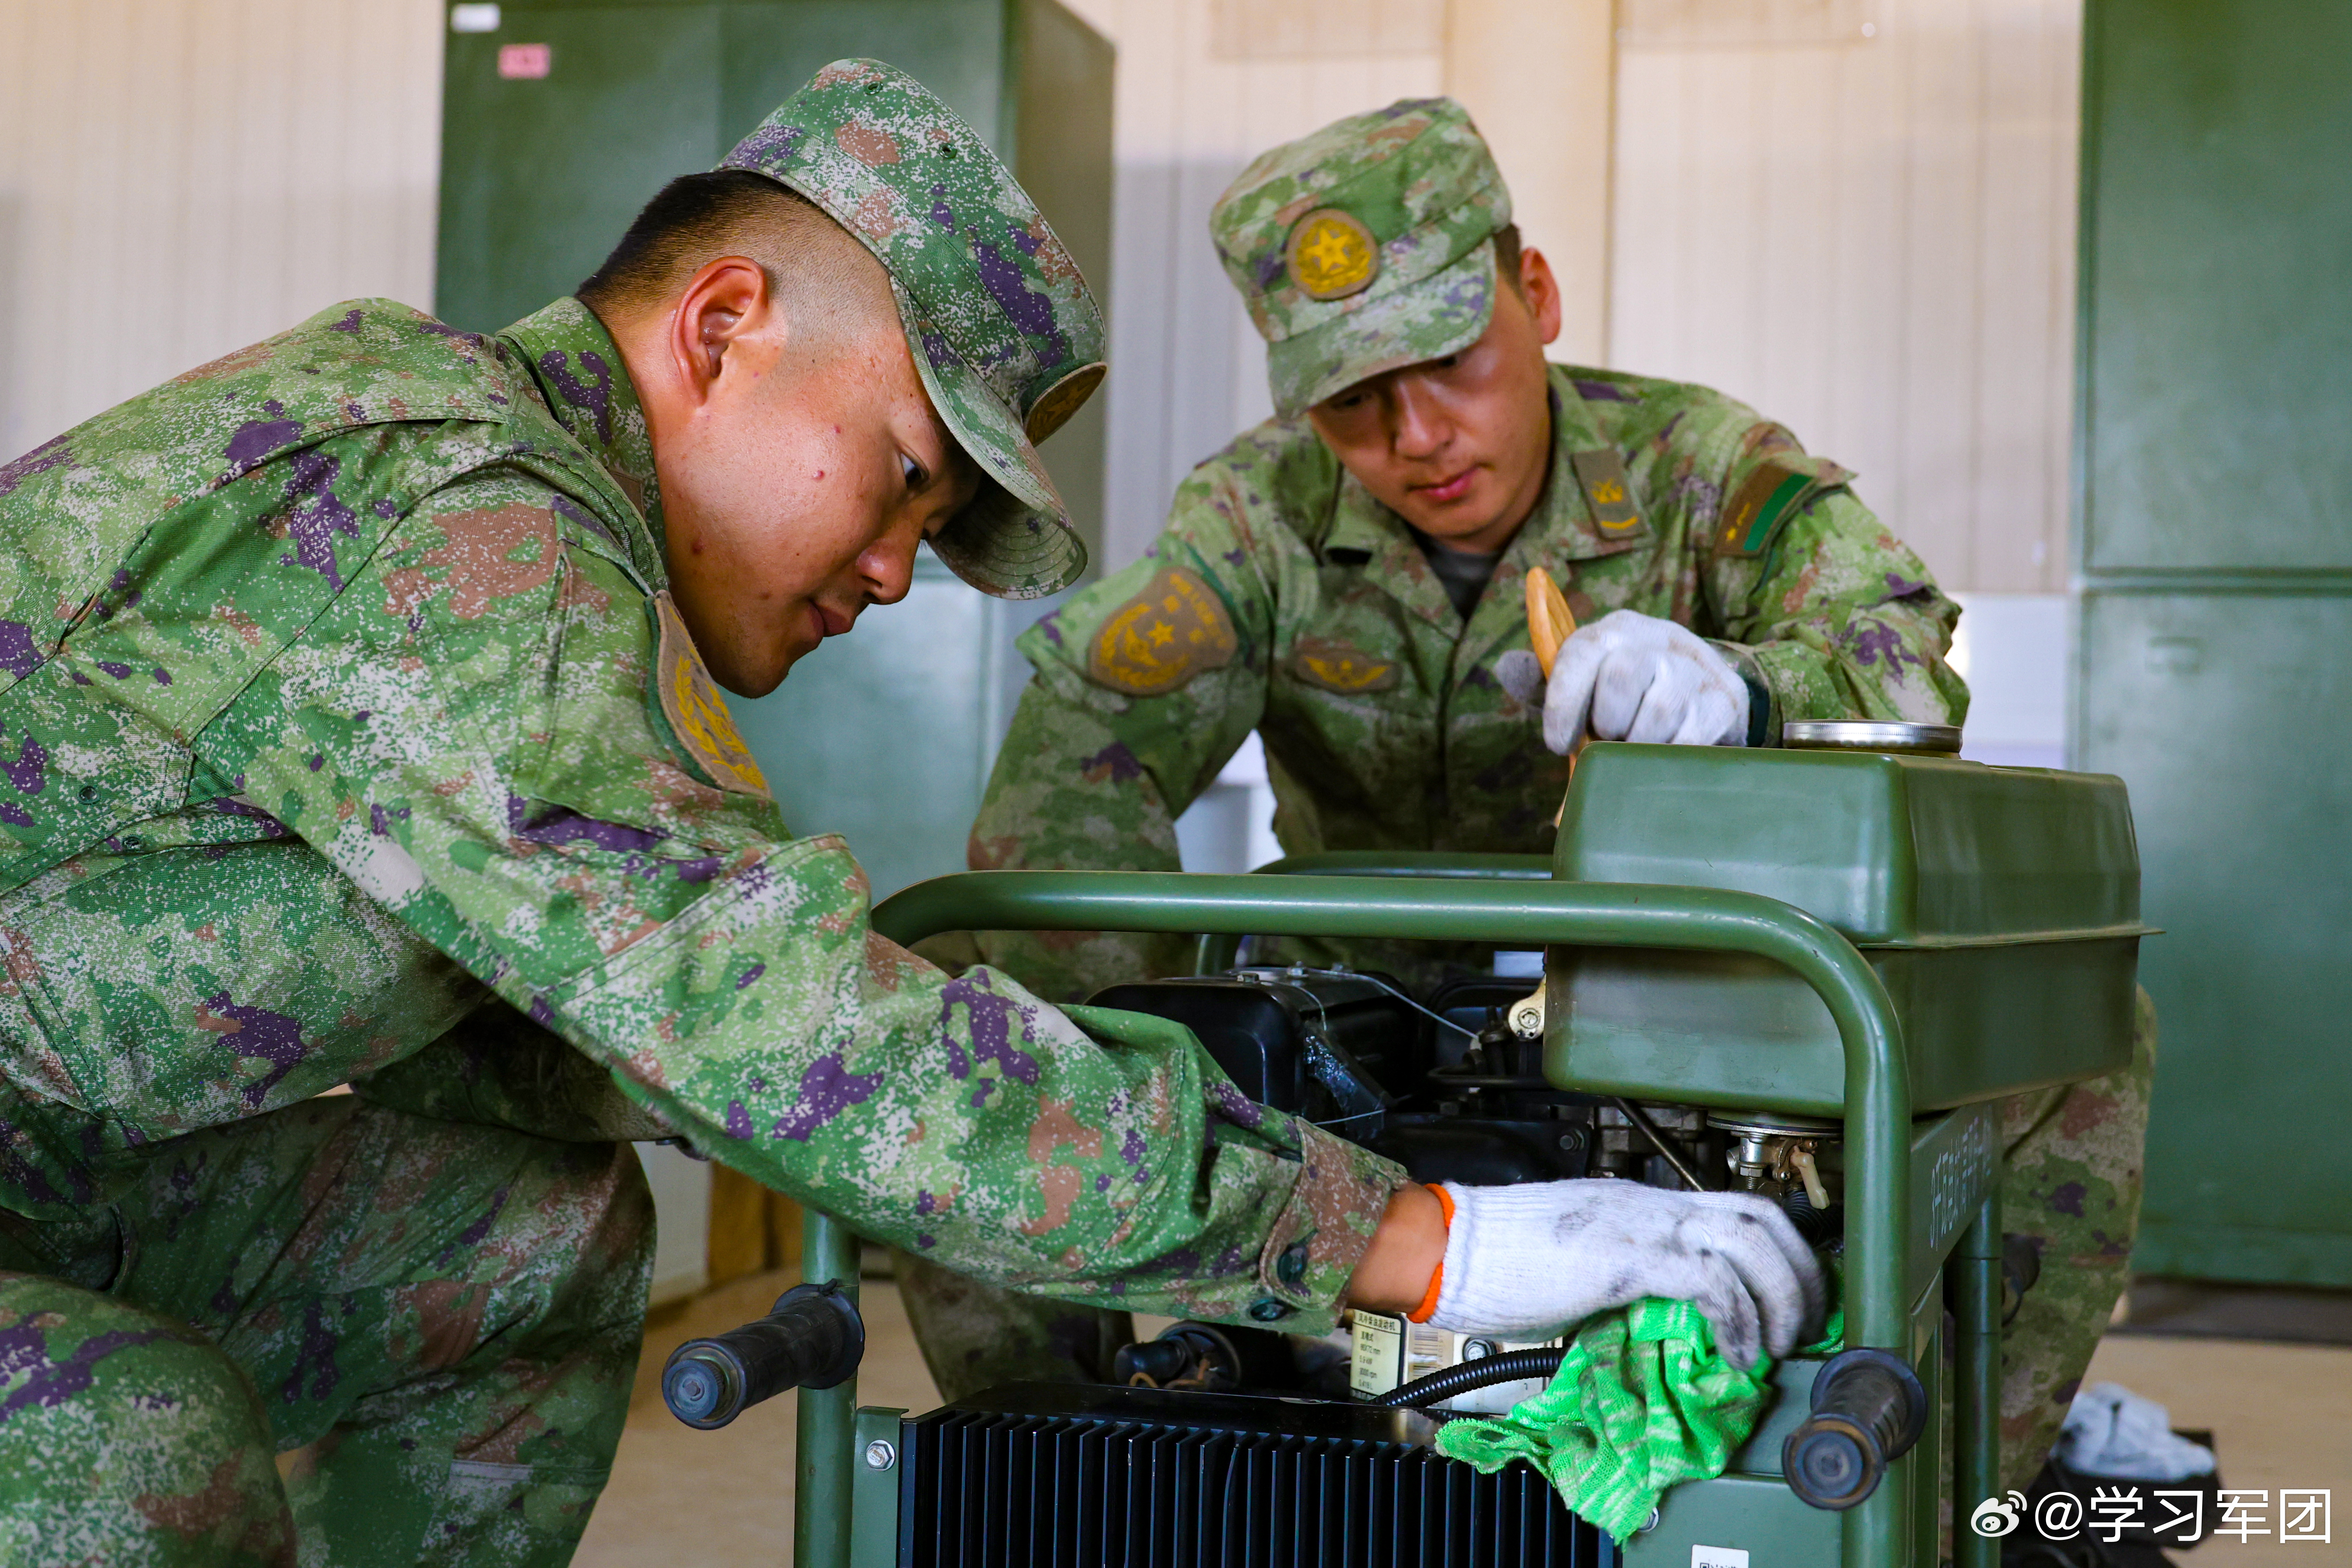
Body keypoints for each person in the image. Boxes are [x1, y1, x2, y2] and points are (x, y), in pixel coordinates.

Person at [0, 65, 1821, 1567]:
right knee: (125, 1448)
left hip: (47, 1154)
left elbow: (661, 1038)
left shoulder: (541, 559)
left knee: (537, 1241)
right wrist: (1418, 1247)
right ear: (722, 327)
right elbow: (777, 1025)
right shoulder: (457, 519)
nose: (892, 574)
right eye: (901, 482)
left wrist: (1300, 1259)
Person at [934, 98, 2153, 1496]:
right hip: (1365, 1027)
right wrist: (1084, 1046)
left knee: (2095, 1040)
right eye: (1351, 400)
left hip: (1679, 1029)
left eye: (1450, 360)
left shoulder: (1703, 469)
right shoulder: (1256, 519)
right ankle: (1073, 1462)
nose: (1416, 434)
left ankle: (1954, 1497)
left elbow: (1909, 656)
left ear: (1537, 292)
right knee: (975, 1020)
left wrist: (1749, 688)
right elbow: (1078, 768)